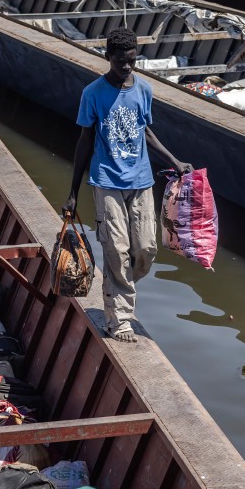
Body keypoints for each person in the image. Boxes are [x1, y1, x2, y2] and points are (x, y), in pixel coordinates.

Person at [64, 27, 191, 343]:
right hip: (106, 180)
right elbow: (84, 141)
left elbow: (145, 131)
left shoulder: (144, 89)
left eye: (132, 61)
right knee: (117, 249)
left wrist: (174, 161)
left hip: (141, 180)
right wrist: (72, 192)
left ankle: (116, 283)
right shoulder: (93, 93)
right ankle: (118, 320)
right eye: (121, 62)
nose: (127, 68)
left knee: (146, 248)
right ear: (108, 57)